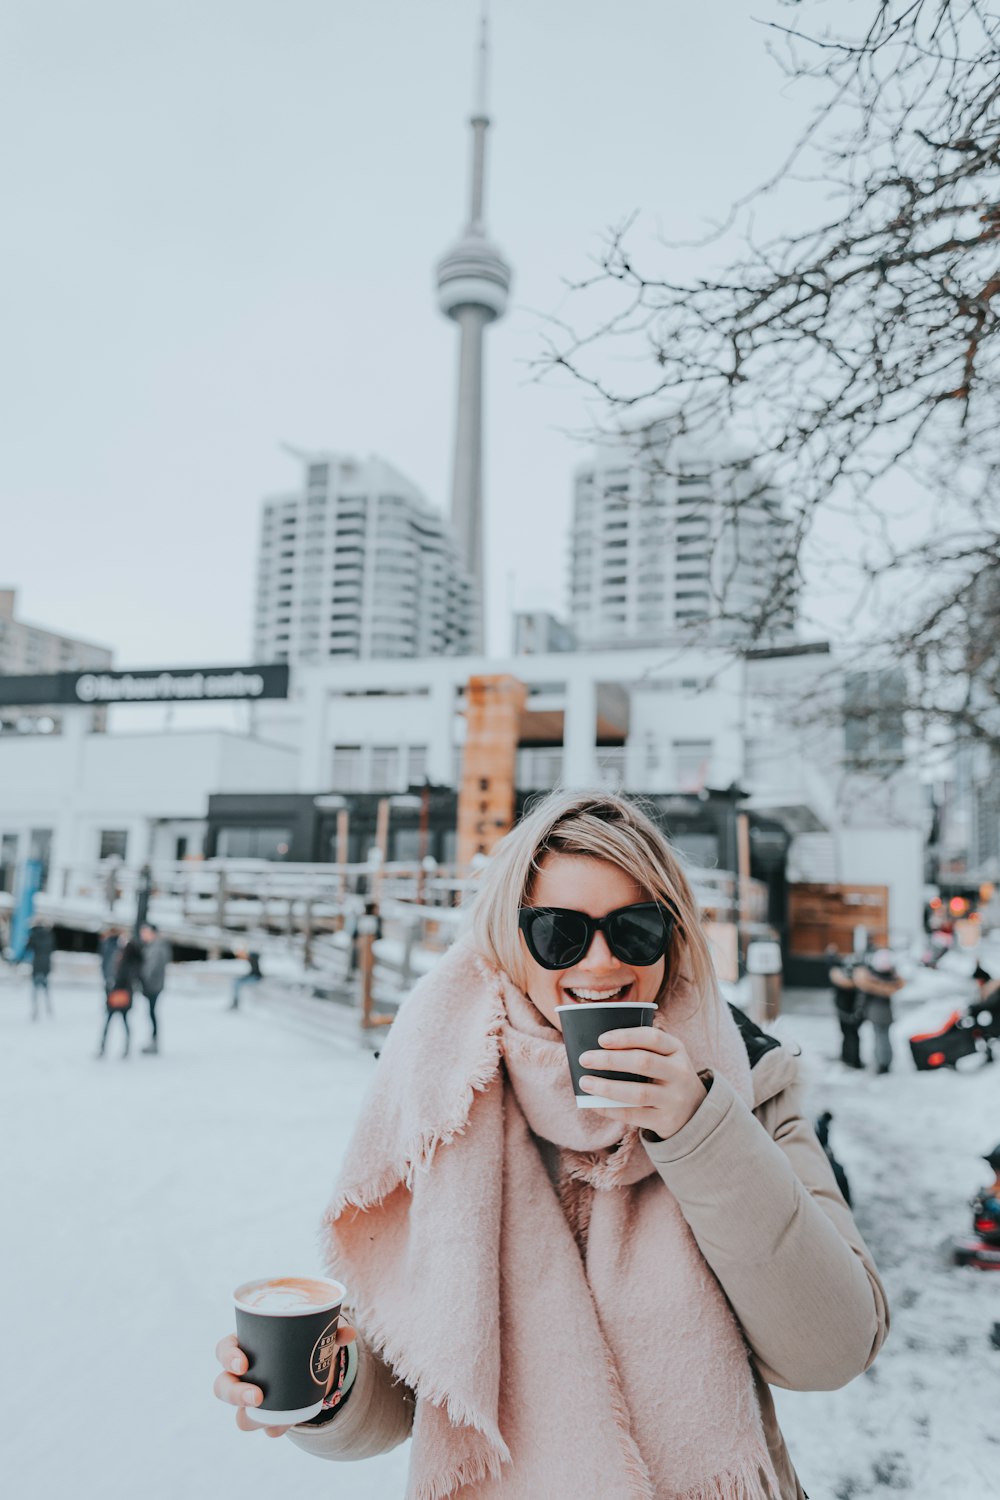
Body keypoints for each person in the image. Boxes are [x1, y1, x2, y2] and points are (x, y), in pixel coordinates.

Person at [212, 790, 889, 1498]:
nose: (599, 964)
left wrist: (699, 1127)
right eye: (559, 934)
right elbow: (422, 1385)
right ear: (511, 941)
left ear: (674, 938)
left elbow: (832, 1349)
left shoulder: (745, 1077)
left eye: (635, 930)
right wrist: (332, 1385)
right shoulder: (447, 1092)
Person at [854, 948, 906, 1075]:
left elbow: (863, 997)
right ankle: (886, 1062)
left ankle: (881, 1063)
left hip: (875, 1014)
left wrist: (859, 1009)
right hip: (887, 1013)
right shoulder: (891, 978)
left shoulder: (871, 979)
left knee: (879, 1038)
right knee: (885, 1038)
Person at [96, 927, 144, 1059]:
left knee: (123, 1020)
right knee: (109, 1021)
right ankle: (103, 1047)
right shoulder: (112, 949)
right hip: (113, 990)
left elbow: (137, 965)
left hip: (123, 991)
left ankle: (126, 1047)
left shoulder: (130, 950)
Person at [827, 945, 865, 1069]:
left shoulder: (840, 981)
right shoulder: (859, 982)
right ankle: (851, 1059)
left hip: (846, 1012)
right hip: (852, 1013)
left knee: (848, 1035)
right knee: (852, 1035)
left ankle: (850, 1058)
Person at [139, 923, 171, 1055]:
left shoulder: (157, 947)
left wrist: (141, 980)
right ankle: (153, 1040)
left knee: (152, 1013)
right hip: (153, 985)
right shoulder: (153, 946)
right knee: (151, 1013)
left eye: (145, 932)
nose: (142, 935)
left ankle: (154, 1042)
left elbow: (151, 968)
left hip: (153, 986)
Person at [25, 916, 55, 1021]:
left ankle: (35, 1010)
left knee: (35, 990)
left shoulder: (33, 935)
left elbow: (27, 948)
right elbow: (52, 948)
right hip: (46, 965)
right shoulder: (49, 935)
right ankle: (48, 1009)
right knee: (46, 989)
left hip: (37, 965)